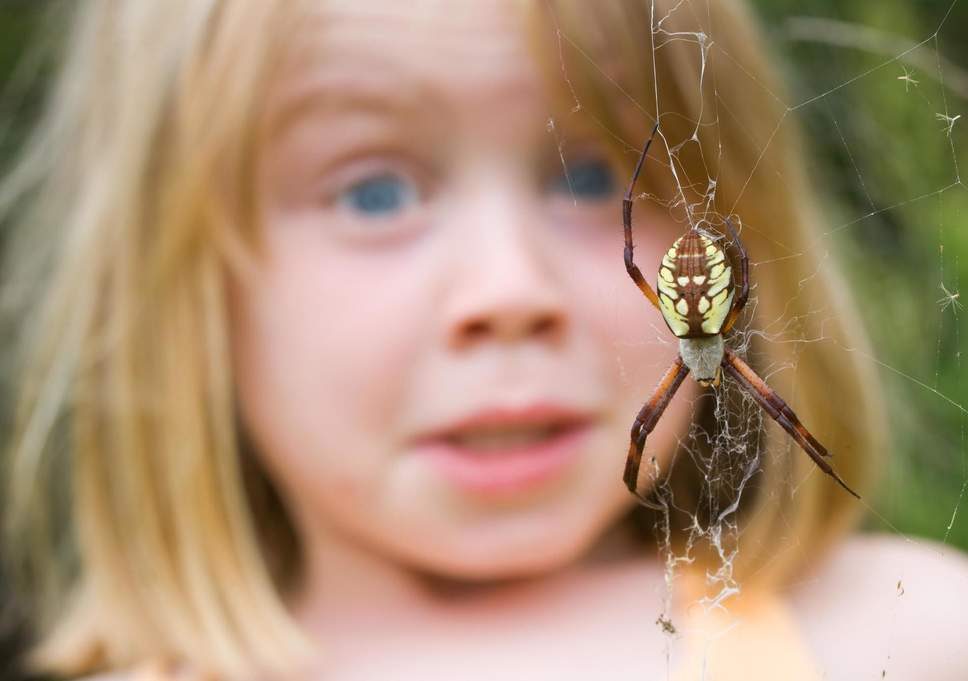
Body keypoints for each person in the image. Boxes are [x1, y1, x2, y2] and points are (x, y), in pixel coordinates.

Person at [2, 1, 967, 680]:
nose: (511, 293)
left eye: (589, 178)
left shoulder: (909, 627)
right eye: (373, 192)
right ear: (186, 299)